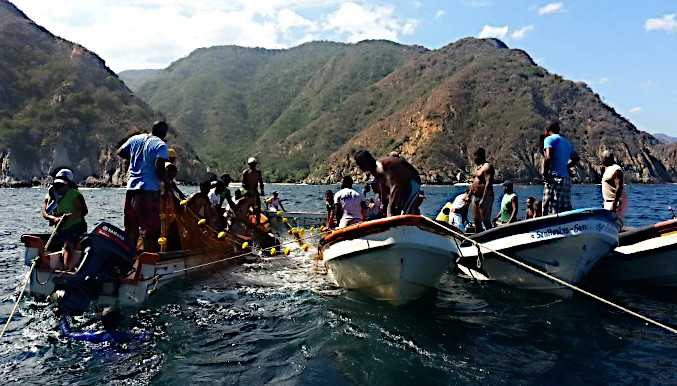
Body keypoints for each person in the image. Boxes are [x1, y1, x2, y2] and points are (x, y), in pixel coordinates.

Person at [117, 120, 169, 252]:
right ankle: (150, 258)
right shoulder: (161, 145)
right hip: (149, 191)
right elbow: (159, 168)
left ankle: (129, 256)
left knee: (131, 226)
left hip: (132, 189)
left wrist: (135, 157)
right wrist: (167, 185)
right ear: (164, 134)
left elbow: (120, 152)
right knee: (150, 230)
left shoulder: (135, 139)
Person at [42, 169, 88, 270]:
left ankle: (66, 270)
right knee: (49, 246)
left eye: (62, 185)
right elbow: (45, 213)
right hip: (60, 229)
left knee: (68, 246)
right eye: (57, 185)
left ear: (68, 184)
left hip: (75, 227)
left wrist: (68, 216)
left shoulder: (75, 195)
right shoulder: (50, 196)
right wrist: (54, 218)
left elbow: (83, 212)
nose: (59, 188)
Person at [353, 150, 421, 216]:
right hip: (401, 185)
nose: (360, 166)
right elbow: (382, 184)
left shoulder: (381, 166)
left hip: (411, 182)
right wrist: (383, 203)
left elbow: (395, 186)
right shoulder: (374, 169)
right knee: (393, 209)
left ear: (365, 162)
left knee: (398, 210)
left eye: (360, 164)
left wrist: (390, 208)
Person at [542, 121, 580, 215]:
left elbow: (548, 157)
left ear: (547, 130)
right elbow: (576, 159)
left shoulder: (549, 139)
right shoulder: (567, 142)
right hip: (566, 180)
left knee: (550, 209)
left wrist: (545, 173)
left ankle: (550, 229)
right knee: (564, 209)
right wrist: (567, 166)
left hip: (555, 179)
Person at [59, 307, 138, 345]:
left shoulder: (94, 335)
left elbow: (67, 334)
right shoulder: (126, 336)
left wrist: (61, 318)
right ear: (118, 321)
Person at [470, 148, 495, 233]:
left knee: (486, 221)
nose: (474, 158)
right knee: (476, 221)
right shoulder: (477, 167)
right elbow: (474, 182)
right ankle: (478, 240)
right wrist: (469, 194)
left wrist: (483, 199)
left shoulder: (487, 166)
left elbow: (488, 184)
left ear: (480, 155)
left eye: (475, 156)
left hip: (485, 196)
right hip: (475, 196)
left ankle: (493, 239)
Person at [601, 150, 628, 222]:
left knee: (612, 222)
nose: (601, 160)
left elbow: (619, 187)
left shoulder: (616, 170)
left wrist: (614, 204)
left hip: (615, 202)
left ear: (607, 158)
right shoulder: (608, 169)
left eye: (602, 158)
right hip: (608, 201)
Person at [242, 157, 265, 225]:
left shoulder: (258, 172)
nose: (253, 165)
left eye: (254, 164)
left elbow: (261, 182)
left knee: (258, 208)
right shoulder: (246, 172)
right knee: (246, 207)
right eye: (251, 164)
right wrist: (246, 192)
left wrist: (262, 191)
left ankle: (258, 222)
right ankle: (245, 222)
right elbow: (243, 184)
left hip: (255, 192)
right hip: (248, 192)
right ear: (249, 164)